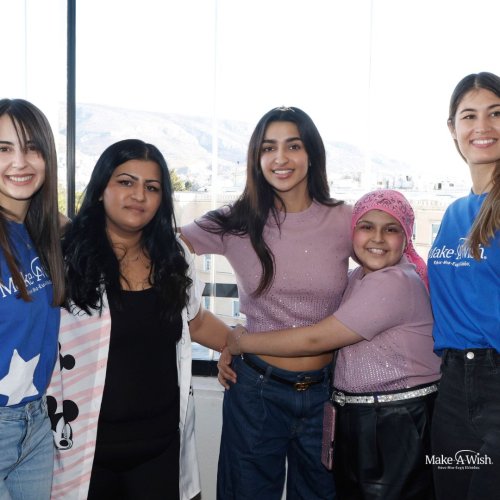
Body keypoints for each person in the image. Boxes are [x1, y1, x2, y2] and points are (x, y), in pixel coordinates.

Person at [181, 106, 352, 499]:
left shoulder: (345, 219)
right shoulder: (235, 221)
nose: (280, 158)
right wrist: (225, 338)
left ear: (312, 154)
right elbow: (160, 244)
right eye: (268, 148)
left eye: (293, 146)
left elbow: (390, 274)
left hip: (327, 393)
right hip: (255, 391)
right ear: (256, 159)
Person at [226, 189, 441, 500]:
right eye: (366, 226)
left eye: (391, 229)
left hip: (396, 423)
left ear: (406, 237)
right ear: (352, 233)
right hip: (364, 420)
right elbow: (303, 321)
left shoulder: (395, 281)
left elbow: (316, 338)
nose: (377, 238)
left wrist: (241, 343)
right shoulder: (357, 278)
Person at [47, 139, 231, 500]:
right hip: (85, 451)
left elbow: (195, 322)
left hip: (159, 448)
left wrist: (240, 345)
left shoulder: (174, 255)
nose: (139, 196)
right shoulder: (64, 256)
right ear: (101, 188)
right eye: (125, 182)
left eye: (152, 187)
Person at [428, 72, 500, 499]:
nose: (483, 126)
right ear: (452, 129)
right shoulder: (455, 212)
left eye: (496, 113)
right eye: (469, 116)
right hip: (452, 387)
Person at [0, 99, 65, 499]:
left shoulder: (42, 233)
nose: (19, 162)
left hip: (36, 421)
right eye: (3, 148)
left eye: (32, 148)